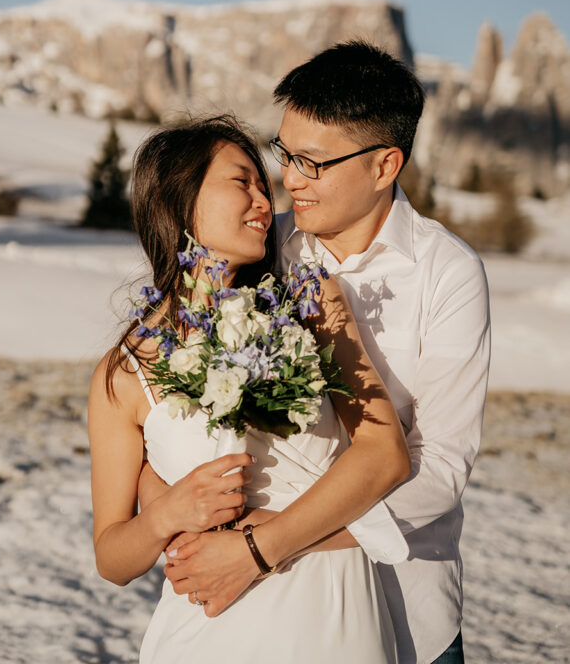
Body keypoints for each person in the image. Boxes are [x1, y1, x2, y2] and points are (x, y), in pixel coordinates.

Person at [162, 44, 490, 664]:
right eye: (285, 154)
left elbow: (440, 470)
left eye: (312, 162)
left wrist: (271, 546)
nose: (289, 179)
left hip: (406, 611)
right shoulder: (262, 244)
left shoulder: (448, 272)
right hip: (264, 613)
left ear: (384, 164)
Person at [88, 114, 411, 664]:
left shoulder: (312, 307)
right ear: (179, 197)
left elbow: (386, 455)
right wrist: (167, 515)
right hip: (206, 633)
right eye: (243, 182)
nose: (266, 200)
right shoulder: (123, 374)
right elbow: (112, 558)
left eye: (264, 185)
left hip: (332, 620)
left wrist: (264, 542)